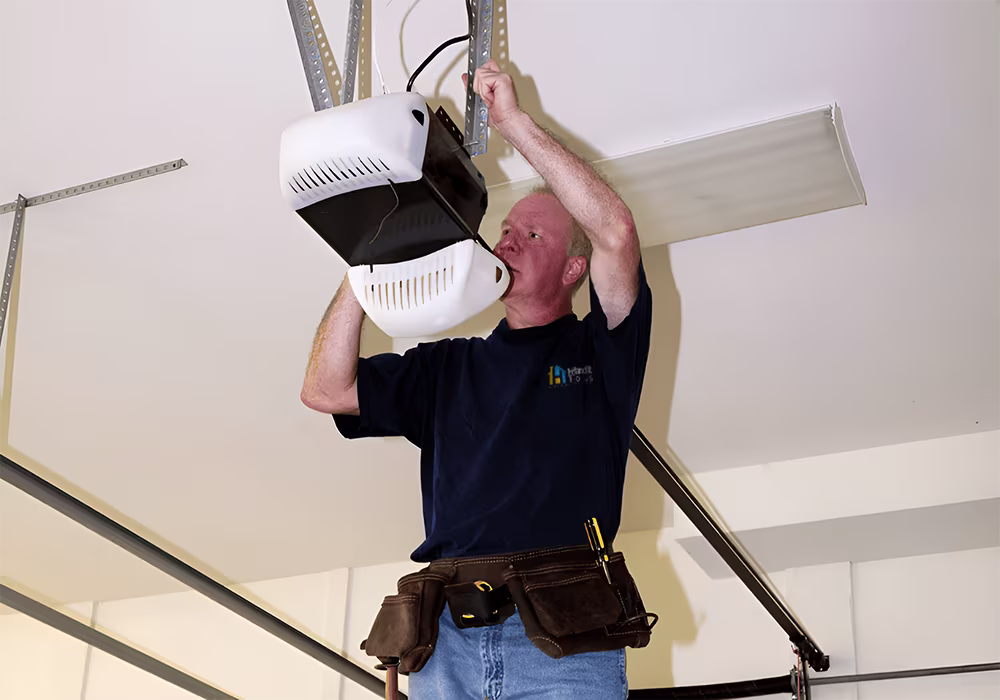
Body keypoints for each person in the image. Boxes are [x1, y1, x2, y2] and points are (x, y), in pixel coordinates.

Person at [300, 60, 654, 699]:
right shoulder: (446, 368)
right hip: (446, 644)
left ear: (575, 268)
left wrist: (513, 124)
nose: (507, 243)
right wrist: (366, 254)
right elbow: (326, 389)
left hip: (564, 638)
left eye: (534, 235)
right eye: (507, 231)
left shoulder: (600, 351)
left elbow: (617, 231)